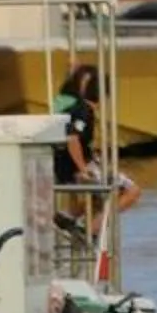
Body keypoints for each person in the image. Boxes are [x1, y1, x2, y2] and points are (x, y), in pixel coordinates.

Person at [55, 63, 142, 220]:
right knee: (132, 191)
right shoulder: (84, 111)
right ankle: (95, 229)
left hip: (62, 169)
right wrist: (82, 170)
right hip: (75, 170)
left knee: (97, 197)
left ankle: (68, 215)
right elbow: (73, 139)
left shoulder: (73, 108)